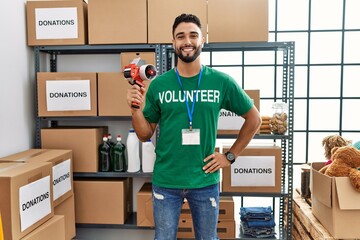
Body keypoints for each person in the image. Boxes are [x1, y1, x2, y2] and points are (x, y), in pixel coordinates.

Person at [127, 13, 261, 240]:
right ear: (173, 43)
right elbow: (143, 134)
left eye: (193, 35)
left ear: (202, 41)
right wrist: (135, 109)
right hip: (166, 181)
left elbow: (254, 119)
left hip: (204, 181)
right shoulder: (159, 84)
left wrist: (230, 156)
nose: (187, 41)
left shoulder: (221, 82)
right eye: (180, 36)